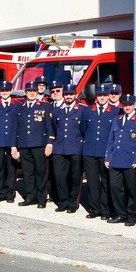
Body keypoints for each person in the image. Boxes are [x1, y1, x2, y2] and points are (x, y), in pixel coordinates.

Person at [13, 82, 54, 208]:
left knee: (41, 172)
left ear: (37, 92)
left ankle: (41, 198)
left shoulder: (45, 106)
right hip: (24, 145)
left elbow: (49, 127)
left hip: (39, 145)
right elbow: (15, 128)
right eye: (29, 90)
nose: (31, 93)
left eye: (34, 91)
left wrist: (50, 143)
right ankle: (30, 196)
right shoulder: (20, 108)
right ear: (25, 92)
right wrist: (14, 146)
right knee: (27, 172)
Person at [106, 94, 136, 226]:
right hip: (116, 159)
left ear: (134, 105)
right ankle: (120, 213)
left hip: (130, 160)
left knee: (131, 189)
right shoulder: (117, 119)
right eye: (125, 104)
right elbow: (111, 139)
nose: (127, 107)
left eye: (130, 104)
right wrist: (108, 156)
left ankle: (132, 214)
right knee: (116, 187)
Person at [82, 84, 116, 219]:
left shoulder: (115, 111)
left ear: (108, 96)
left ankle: (105, 210)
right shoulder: (88, 111)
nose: (102, 97)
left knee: (106, 182)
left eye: (104, 95)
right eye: (100, 95)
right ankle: (94, 209)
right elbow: (83, 129)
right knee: (92, 181)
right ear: (96, 96)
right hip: (90, 151)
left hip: (105, 152)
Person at [51, 84, 86, 213]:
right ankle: (63, 201)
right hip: (59, 148)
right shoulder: (56, 110)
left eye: (71, 94)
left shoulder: (81, 110)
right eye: (66, 94)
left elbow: (84, 129)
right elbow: (55, 127)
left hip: (76, 148)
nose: (69, 96)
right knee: (60, 177)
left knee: (75, 177)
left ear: (75, 95)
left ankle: (73, 203)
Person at [0, 81, 19, 203]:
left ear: (10, 91)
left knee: (11, 168)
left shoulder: (16, 105)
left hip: (11, 142)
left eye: (7, 90)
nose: (4, 92)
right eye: (2, 90)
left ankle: (10, 193)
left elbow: (18, 126)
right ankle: (0, 193)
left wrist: (16, 144)